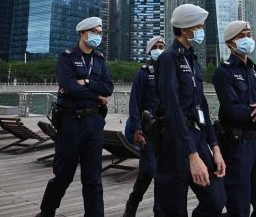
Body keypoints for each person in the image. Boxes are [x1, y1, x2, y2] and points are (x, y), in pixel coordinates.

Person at [37, 17, 114, 217]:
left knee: (93, 178)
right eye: (94, 32)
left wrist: (86, 82)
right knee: (63, 175)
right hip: (71, 124)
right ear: (83, 33)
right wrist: (96, 94)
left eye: (100, 32)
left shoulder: (100, 59)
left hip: (94, 123)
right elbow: (69, 87)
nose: (98, 36)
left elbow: (109, 88)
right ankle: (46, 212)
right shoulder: (67, 57)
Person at [154, 3, 226, 216]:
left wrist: (215, 146)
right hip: (176, 141)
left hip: (197, 135)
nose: (202, 29)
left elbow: (201, 105)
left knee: (216, 199)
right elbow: (172, 107)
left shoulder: (191, 59)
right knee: (173, 207)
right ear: (185, 30)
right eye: (199, 26)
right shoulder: (168, 58)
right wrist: (191, 155)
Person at [212, 21, 256, 217]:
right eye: (242, 36)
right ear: (230, 43)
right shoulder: (223, 72)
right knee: (238, 209)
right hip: (236, 147)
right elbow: (233, 111)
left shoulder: (255, 72)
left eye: (249, 34)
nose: (247, 39)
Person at [123, 35, 166, 217]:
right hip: (148, 131)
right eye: (155, 46)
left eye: (161, 46)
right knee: (147, 171)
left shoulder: (169, 71)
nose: (159, 49)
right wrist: (137, 129)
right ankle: (132, 203)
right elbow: (134, 103)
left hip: (166, 131)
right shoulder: (143, 73)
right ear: (149, 51)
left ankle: (160, 211)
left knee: (162, 175)